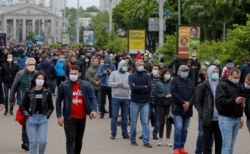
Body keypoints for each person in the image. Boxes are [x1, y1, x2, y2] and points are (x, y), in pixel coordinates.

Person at [56, 65, 97, 154]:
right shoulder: (63, 85)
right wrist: (59, 116)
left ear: (79, 74)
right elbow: (58, 101)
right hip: (69, 118)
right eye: (71, 73)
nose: (73, 75)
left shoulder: (86, 85)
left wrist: (93, 110)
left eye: (75, 73)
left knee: (78, 141)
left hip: (81, 118)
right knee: (70, 140)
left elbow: (92, 98)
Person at [21, 71, 54, 154]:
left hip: (43, 119)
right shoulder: (29, 92)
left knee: (43, 142)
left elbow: (51, 107)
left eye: (42, 79)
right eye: (38, 78)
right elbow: (22, 105)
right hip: (31, 119)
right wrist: (27, 115)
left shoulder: (47, 92)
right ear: (35, 79)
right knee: (33, 143)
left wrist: (47, 116)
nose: (40, 80)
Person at [9, 58, 37, 151]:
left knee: (33, 121)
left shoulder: (37, 74)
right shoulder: (20, 73)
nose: (31, 66)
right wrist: (11, 99)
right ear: (26, 65)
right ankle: (26, 142)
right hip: (23, 102)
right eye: (29, 64)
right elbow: (14, 86)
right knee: (26, 122)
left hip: (35, 102)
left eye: (33, 64)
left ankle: (31, 140)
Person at [216, 67, 244, 154]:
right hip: (226, 118)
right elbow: (220, 102)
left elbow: (241, 104)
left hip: (236, 118)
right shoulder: (222, 85)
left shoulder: (238, 86)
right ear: (230, 75)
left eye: (238, 78)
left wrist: (241, 117)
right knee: (226, 145)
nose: (237, 79)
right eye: (235, 77)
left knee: (231, 145)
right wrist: (234, 101)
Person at [195, 65, 222, 154]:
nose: (215, 74)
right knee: (207, 142)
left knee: (219, 141)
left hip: (219, 119)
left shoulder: (221, 85)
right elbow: (198, 102)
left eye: (217, 72)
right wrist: (202, 113)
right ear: (209, 73)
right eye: (213, 72)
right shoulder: (203, 86)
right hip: (207, 119)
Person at [170, 65, 195, 154]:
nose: (185, 72)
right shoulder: (174, 81)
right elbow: (174, 93)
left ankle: (181, 146)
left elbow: (194, 95)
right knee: (179, 127)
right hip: (177, 109)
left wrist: (189, 103)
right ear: (179, 72)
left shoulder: (191, 82)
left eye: (186, 70)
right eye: (183, 70)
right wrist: (183, 103)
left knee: (185, 129)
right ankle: (176, 147)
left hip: (188, 109)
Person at [128, 59, 152, 148]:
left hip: (145, 102)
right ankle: (133, 140)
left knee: (145, 122)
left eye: (142, 64)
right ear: (136, 66)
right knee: (133, 122)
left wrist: (138, 87)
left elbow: (149, 88)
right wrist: (143, 87)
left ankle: (146, 141)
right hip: (134, 102)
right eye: (139, 64)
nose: (141, 66)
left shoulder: (147, 76)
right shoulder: (131, 76)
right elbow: (132, 88)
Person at [108, 60, 130, 139]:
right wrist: (118, 84)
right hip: (115, 97)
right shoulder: (114, 73)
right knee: (114, 116)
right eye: (124, 65)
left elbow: (130, 86)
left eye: (126, 65)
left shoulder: (128, 75)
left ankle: (125, 133)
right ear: (120, 65)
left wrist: (124, 86)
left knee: (125, 116)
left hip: (125, 98)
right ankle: (113, 133)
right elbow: (109, 83)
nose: (125, 66)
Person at [154, 68, 173, 147]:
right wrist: (164, 96)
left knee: (169, 123)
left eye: (169, 74)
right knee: (161, 122)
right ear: (163, 75)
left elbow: (174, 92)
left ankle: (168, 140)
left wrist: (171, 96)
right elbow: (156, 94)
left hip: (169, 105)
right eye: (166, 73)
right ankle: (160, 139)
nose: (168, 75)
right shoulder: (158, 83)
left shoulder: (171, 83)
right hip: (160, 105)